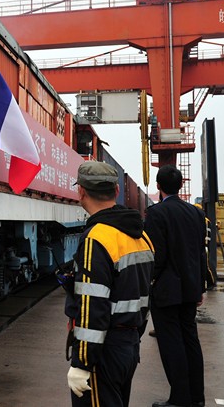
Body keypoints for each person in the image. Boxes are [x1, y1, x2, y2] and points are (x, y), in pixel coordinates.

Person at [64, 161, 154, 406]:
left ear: (81, 192)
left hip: (103, 352)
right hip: (129, 345)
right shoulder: (142, 236)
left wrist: (82, 363)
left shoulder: (96, 239)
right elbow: (145, 297)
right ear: (116, 191)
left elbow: (93, 307)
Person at [144, 165, 207, 407]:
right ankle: (196, 397)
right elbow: (199, 252)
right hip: (191, 288)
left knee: (171, 344)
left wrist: (151, 281)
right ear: (181, 185)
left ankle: (180, 399)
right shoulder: (196, 213)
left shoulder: (156, 214)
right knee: (191, 340)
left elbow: (156, 256)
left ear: (158, 186)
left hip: (167, 290)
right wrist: (200, 285)